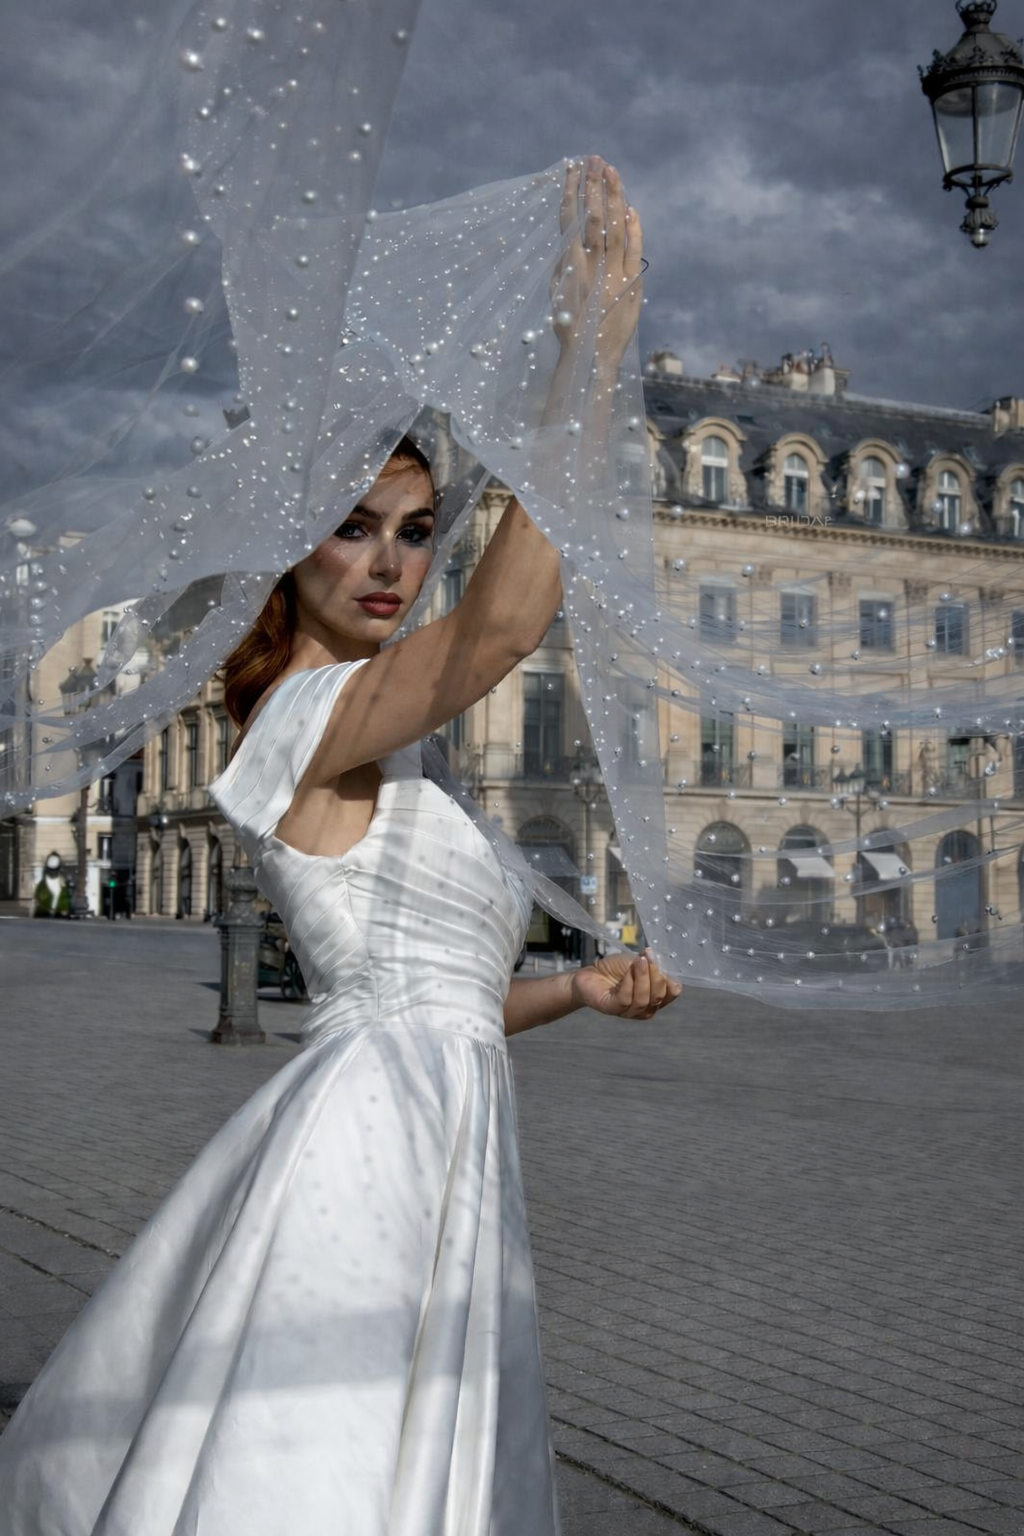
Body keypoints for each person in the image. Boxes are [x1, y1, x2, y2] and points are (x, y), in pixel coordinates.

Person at [0, 158, 680, 1536]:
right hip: (364, 1154)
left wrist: (579, 990)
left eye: (419, 532)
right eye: (353, 529)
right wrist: (591, 358)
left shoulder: (378, 744)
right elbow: (496, 636)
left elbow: (429, 999)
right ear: (284, 549)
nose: (391, 563)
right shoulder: (298, 718)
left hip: (442, 1130)